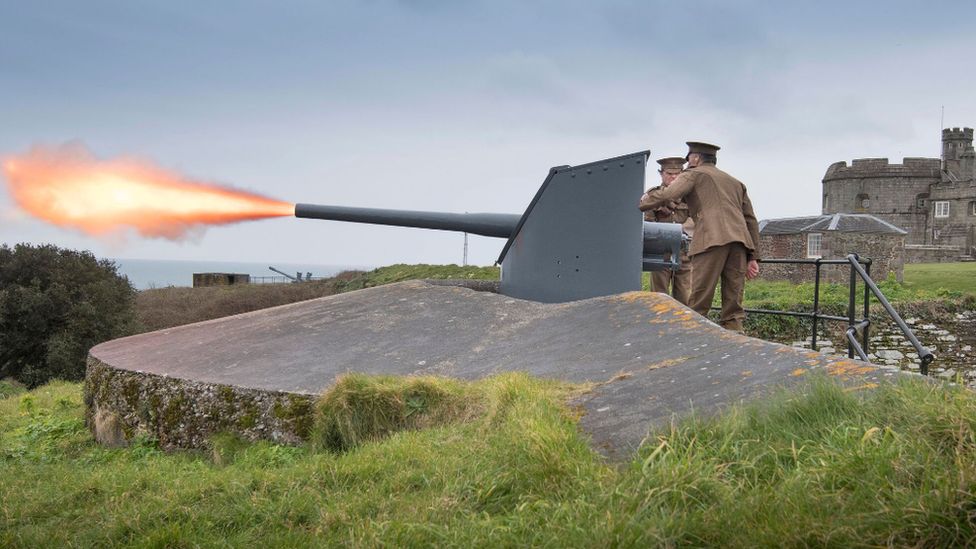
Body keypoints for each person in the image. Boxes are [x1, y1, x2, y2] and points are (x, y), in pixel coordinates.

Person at [639, 142, 760, 331]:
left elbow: (669, 193)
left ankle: (693, 340)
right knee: (734, 305)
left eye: (688, 159)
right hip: (740, 243)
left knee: (699, 301)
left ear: (695, 158)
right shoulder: (735, 182)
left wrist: (641, 203)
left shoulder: (694, 174)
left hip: (711, 240)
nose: (686, 164)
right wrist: (753, 256)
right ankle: (735, 338)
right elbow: (751, 220)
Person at [645, 156, 693, 305]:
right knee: (658, 298)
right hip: (661, 254)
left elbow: (696, 219)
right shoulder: (653, 195)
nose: (673, 177)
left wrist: (679, 232)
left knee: (685, 297)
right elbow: (648, 223)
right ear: (661, 174)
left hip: (684, 252)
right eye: (669, 174)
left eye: (677, 174)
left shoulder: (690, 197)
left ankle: (683, 327)